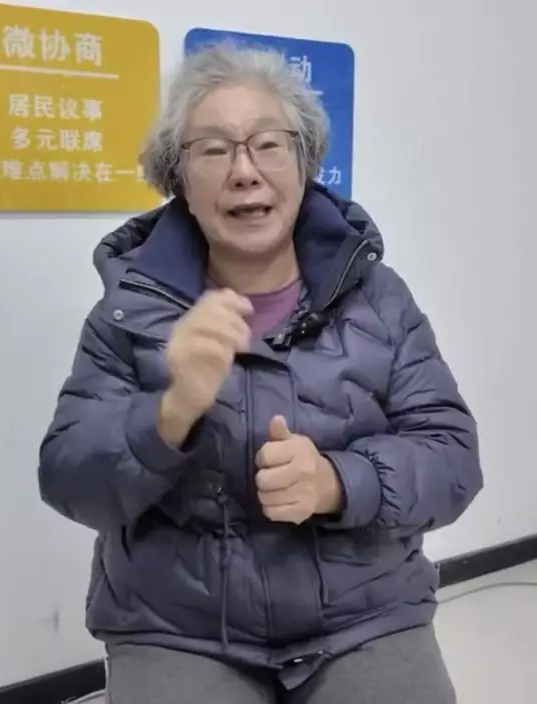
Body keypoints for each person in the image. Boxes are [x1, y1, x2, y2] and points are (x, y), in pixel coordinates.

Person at [38, 42, 483, 704]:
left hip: (363, 614)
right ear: (179, 180)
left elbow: (452, 458)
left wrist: (339, 482)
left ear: (305, 163)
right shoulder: (128, 310)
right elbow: (68, 479)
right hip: (180, 627)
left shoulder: (379, 297)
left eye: (268, 144)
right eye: (214, 150)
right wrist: (170, 412)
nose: (244, 171)